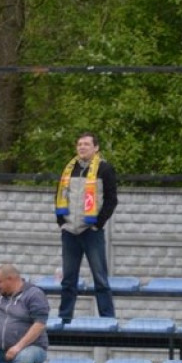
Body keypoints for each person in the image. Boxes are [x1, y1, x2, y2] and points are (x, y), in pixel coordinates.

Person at [54, 132, 118, 322]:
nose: (82, 147)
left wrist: (98, 224)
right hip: (70, 232)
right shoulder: (68, 169)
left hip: (91, 231)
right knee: (68, 280)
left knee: (100, 278)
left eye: (86, 144)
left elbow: (111, 199)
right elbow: (58, 195)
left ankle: (108, 319)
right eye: (79, 144)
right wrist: (61, 222)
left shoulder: (105, 169)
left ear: (96, 148)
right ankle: (64, 318)